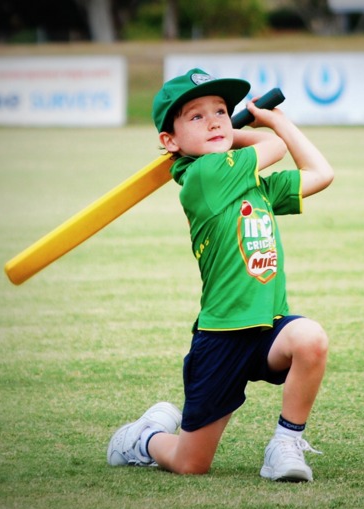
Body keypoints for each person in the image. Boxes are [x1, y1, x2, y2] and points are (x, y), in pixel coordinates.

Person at [106, 68, 334, 482]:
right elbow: (274, 148)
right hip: (221, 335)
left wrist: (278, 122)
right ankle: (143, 438)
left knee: (311, 339)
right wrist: (259, 126)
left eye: (222, 112)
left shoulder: (250, 183)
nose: (214, 121)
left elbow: (321, 174)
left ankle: (285, 442)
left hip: (268, 327)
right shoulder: (204, 177)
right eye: (196, 116)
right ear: (169, 142)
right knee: (191, 463)